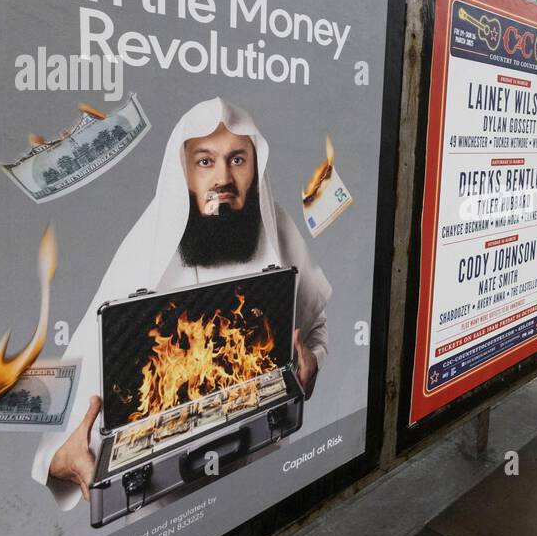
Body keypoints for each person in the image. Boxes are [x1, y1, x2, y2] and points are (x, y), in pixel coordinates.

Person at [31, 97, 331, 508]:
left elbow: (314, 325)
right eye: (205, 161)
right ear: (184, 170)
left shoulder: (275, 223)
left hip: (261, 472)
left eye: (237, 160)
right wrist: (56, 457)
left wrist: (312, 359)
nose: (223, 178)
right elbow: (83, 377)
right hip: (168, 505)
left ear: (254, 166)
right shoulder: (149, 244)